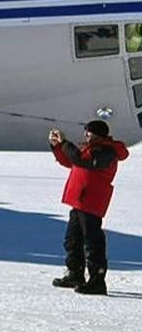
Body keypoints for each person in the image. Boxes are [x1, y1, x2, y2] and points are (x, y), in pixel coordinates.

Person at [50, 120, 129, 295]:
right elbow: (72, 161)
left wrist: (64, 144)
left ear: (98, 134)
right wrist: (57, 147)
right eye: (86, 131)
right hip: (80, 200)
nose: (86, 134)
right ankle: (75, 274)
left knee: (93, 242)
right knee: (72, 240)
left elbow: (82, 160)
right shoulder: (92, 148)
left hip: (91, 201)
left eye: (89, 132)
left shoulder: (106, 151)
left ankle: (97, 280)